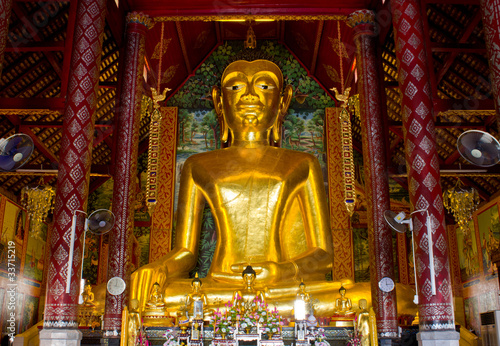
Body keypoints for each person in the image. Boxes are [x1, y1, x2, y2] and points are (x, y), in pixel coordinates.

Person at [130, 56, 333, 314]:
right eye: (235, 87)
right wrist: (160, 268)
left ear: (283, 102)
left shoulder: (302, 163)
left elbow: (324, 255)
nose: (249, 95)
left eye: (264, 86)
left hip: (281, 288)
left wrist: (281, 270)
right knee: (137, 294)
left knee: (371, 296)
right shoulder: (198, 164)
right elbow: (185, 251)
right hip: (219, 286)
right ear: (219, 101)